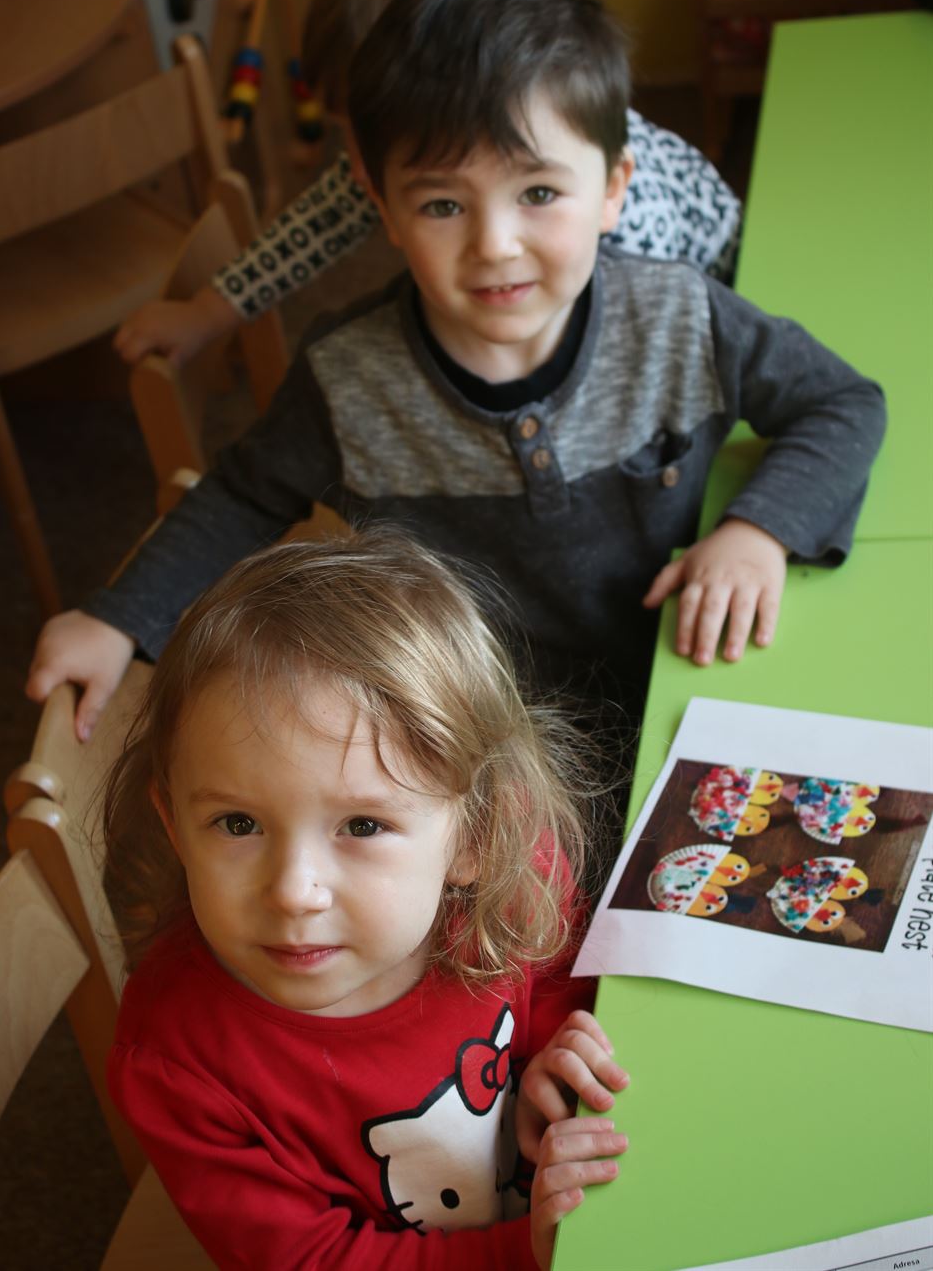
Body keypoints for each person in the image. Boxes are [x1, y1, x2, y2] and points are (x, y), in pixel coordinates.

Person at [28, 0, 886, 756]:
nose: (495, 245)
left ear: (613, 189)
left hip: (697, 677)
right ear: (382, 207)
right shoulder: (347, 378)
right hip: (495, 736)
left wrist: (757, 533)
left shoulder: (679, 315)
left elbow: (843, 403)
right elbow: (243, 495)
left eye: (539, 192)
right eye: (444, 205)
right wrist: (122, 616)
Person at [104, 528, 629, 1270]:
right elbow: (317, 1261)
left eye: (362, 826)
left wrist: (555, 1051)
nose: (294, 892)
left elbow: (551, 974)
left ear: (476, 835)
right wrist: (527, 1252)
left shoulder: (514, 873)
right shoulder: (175, 1060)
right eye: (238, 824)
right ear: (174, 826)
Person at [112, 0, 743, 374]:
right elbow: (312, 228)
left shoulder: (606, 204)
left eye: (360, 127)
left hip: (711, 300)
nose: (354, 157)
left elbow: (660, 342)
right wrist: (210, 311)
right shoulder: (410, 151)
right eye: (348, 128)